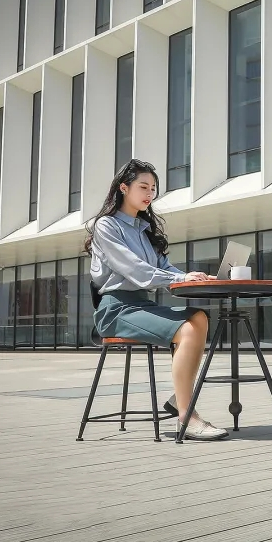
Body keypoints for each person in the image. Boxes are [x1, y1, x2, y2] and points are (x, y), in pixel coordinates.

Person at [83, 159, 228, 441]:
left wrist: (190, 275)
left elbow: (165, 269)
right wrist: (177, 279)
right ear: (124, 188)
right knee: (187, 328)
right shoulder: (106, 226)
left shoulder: (145, 231)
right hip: (116, 308)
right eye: (143, 187)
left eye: (153, 188)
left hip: (141, 305)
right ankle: (187, 417)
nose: (149, 194)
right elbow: (134, 269)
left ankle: (179, 398)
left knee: (198, 317)